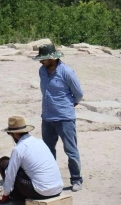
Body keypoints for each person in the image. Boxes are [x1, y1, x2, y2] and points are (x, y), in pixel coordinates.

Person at [34, 43, 83, 192]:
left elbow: (79, 93)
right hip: (47, 117)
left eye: (43, 59)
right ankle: (51, 178)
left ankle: (76, 179)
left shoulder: (66, 72)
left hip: (64, 118)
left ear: (52, 58)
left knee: (70, 150)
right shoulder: (42, 71)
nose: (41, 61)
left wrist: (69, 105)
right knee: (48, 150)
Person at [0, 116, 63, 204]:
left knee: (4, 163)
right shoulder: (40, 142)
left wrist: (5, 195)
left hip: (41, 192)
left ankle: (16, 199)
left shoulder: (19, 149)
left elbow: (10, 175)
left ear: (16, 134)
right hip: (57, 188)